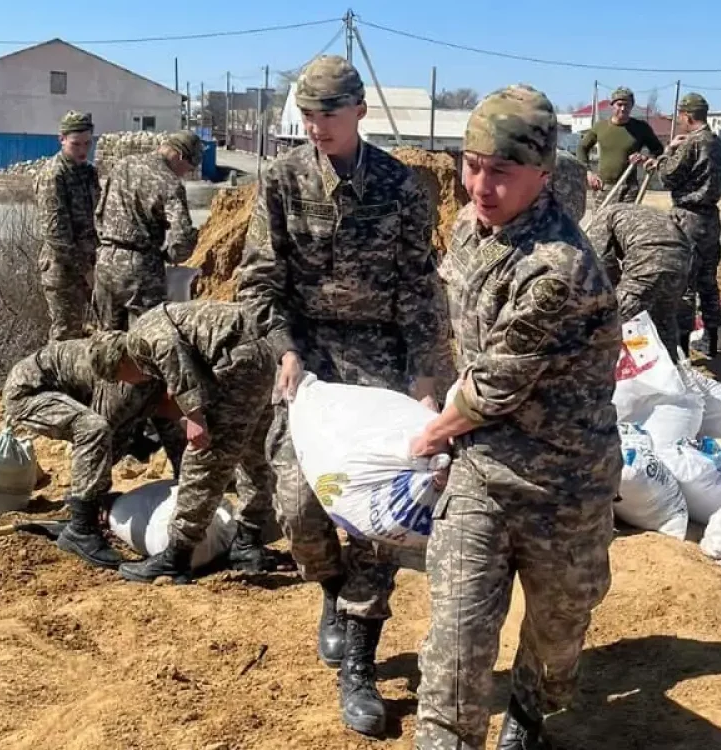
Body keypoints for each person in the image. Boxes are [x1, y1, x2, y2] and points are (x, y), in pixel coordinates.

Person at [235, 55, 449, 738]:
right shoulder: (282, 181)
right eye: (306, 114)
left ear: (359, 110)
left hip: (382, 366)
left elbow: (420, 286)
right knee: (298, 505)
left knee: (375, 520)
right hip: (310, 366)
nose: (316, 126)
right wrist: (285, 349)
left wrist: (422, 373)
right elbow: (259, 281)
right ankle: (329, 588)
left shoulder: (401, 187)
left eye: (328, 112)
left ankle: (359, 659)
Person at [410, 84, 622, 750]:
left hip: (566, 483)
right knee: (456, 642)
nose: (479, 184)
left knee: (558, 635)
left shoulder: (557, 267)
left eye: (499, 170)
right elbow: (453, 334)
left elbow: (495, 386)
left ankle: (531, 709)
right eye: (471, 165)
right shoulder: (468, 230)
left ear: (541, 170)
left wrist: (428, 432)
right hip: (482, 473)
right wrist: (428, 389)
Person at [94, 301, 279, 583]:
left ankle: (176, 557)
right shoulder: (152, 330)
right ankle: (247, 542)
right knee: (254, 453)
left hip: (236, 360)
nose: (130, 383)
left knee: (204, 457)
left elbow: (170, 350)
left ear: (120, 363)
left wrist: (194, 415)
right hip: (261, 356)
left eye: (122, 378)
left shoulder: (141, 337)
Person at [3, 332, 179, 569]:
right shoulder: (124, 383)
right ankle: (81, 530)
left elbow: (172, 427)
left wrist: (186, 476)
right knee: (95, 429)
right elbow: (98, 439)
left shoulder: (159, 371)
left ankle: (85, 507)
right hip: (28, 393)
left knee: (114, 436)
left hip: (66, 386)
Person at [92, 131, 202, 332]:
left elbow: (99, 213)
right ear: (179, 156)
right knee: (149, 340)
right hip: (141, 270)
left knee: (106, 343)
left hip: (106, 261)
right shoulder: (170, 183)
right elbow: (182, 238)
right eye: (188, 168)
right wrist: (169, 256)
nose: (185, 174)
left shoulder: (123, 165)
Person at [656, 92, 721, 357]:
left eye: (680, 116)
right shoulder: (720, 145)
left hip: (688, 218)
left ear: (687, 115)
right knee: (709, 281)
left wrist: (668, 152)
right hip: (712, 219)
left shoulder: (693, 144)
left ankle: (682, 346)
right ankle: (712, 340)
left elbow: (667, 177)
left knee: (685, 284)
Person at [586, 202, 692, 359]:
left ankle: (612, 372)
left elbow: (601, 263)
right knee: (664, 321)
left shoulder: (602, 218)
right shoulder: (637, 212)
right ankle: (671, 370)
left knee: (617, 323)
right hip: (681, 260)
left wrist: (610, 295)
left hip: (648, 260)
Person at [35, 110, 100, 341]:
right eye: (76, 144)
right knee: (66, 336)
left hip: (91, 265)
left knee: (99, 331)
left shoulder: (89, 172)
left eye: (87, 143)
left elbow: (98, 217)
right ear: (61, 139)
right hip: (63, 270)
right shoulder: (54, 175)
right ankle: (54, 377)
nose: (83, 150)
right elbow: (56, 234)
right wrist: (85, 269)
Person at [576, 86, 664, 207]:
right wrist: (588, 172)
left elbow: (658, 150)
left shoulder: (641, 128)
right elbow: (581, 148)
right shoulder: (600, 127)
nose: (623, 109)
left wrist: (645, 158)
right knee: (601, 224)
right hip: (604, 188)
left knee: (626, 225)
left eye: (627, 105)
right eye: (619, 104)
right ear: (612, 105)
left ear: (632, 106)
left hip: (629, 189)